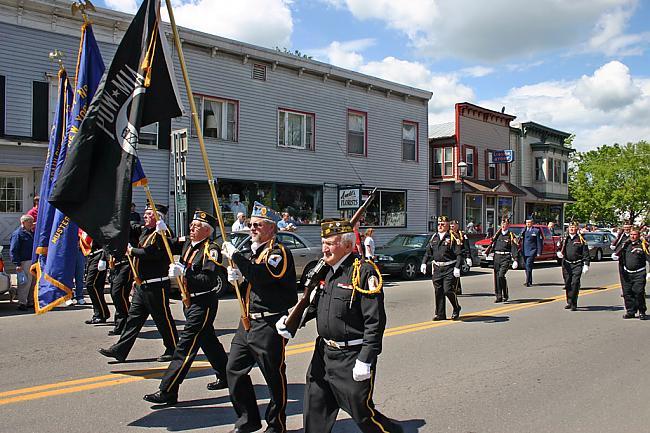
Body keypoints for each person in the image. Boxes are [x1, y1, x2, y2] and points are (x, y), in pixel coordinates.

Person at [275, 219, 402, 433]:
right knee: (315, 413)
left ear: (347, 245)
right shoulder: (323, 271)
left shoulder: (363, 273)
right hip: (323, 354)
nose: (324, 247)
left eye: (330, 243)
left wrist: (366, 359)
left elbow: (375, 322)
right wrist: (291, 322)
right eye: (323, 242)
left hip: (351, 357)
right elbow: (314, 306)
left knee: (362, 414)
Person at [220, 202, 297, 433]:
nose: (252, 228)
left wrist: (238, 260)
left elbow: (263, 277)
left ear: (272, 229)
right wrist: (238, 280)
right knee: (233, 369)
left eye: (258, 225)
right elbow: (254, 285)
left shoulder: (278, 252)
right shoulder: (254, 253)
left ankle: (277, 425)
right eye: (251, 224)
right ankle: (248, 419)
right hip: (248, 321)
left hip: (270, 323)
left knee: (273, 375)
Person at [143, 210, 229, 405]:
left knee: (185, 347)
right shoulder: (189, 243)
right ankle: (226, 375)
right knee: (208, 341)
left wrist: (186, 273)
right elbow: (168, 245)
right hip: (188, 301)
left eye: (196, 226)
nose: (191, 228)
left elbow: (208, 280)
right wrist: (163, 231)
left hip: (203, 303)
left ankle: (168, 389)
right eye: (191, 224)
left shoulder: (210, 249)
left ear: (207, 231)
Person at [98, 204, 179, 363]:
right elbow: (129, 227)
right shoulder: (144, 231)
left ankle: (173, 348)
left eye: (149, 214)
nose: (145, 216)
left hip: (156, 285)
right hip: (141, 285)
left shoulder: (163, 233)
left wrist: (131, 251)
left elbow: (152, 253)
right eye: (146, 213)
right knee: (133, 319)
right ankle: (120, 350)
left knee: (162, 319)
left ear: (159, 217)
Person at [421, 216, 462, 321]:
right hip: (437, 268)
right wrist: (424, 263)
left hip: (449, 267)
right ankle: (440, 314)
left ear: (447, 225)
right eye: (439, 224)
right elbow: (428, 252)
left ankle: (456, 307)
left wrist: (457, 267)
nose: (440, 226)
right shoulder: (434, 237)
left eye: (442, 224)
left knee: (448, 290)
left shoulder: (452, 237)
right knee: (438, 291)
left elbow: (458, 254)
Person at [612, 227, 649, 319]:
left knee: (638, 292)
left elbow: (649, 258)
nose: (632, 236)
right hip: (627, 273)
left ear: (638, 235)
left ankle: (641, 311)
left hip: (639, 272)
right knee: (627, 293)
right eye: (631, 234)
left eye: (635, 234)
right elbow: (617, 252)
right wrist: (616, 255)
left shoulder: (643, 245)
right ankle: (630, 311)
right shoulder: (625, 245)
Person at [556, 221, 590, 311]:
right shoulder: (564, 239)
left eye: (573, 227)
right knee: (568, 283)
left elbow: (585, 253)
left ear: (577, 229)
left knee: (575, 283)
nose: (571, 229)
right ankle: (569, 301)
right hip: (566, 264)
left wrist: (586, 264)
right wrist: (558, 252)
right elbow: (558, 248)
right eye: (570, 227)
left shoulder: (581, 239)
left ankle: (574, 303)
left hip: (577, 264)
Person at [485, 218, 519, 303]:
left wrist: (515, 259)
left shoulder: (511, 235)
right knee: (497, 277)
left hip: (505, 257)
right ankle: (498, 296)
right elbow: (492, 245)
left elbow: (514, 247)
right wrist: (488, 252)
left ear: (508, 225)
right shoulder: (497, 235)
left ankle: (505, 294)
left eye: (506, 224)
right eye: (502, 224)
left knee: (501, 275)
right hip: (497, 257)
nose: (503, 226)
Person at [9, 215, 35, 311]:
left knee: (32, 283)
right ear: (23, 223)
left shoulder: (31, 233)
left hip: (32, 260)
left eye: (32, 222)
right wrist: (17, 264)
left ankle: (30, 301)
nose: (32, 224)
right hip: (24, 261)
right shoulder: (18, 234)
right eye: (30, 222)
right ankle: (22, 303)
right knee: (24, 283)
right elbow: (14, 249)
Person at [83, 239, 110, 324]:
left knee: (91, 284)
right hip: (91, 255)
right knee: (96, 286)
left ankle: (101, 313)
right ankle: (100, 314)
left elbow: (107, 239)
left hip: (99, 254)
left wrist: (103, 258)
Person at [450, 220, 473, 295]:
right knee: (451, 274)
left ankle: (456, 289)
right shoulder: (448, 234)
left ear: (457, 226)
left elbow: (466, 246)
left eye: (453, 226)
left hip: (459, 256)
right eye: (451, 226)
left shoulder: (462, 234)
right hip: (451, 257)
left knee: (456, 273)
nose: (452, 227)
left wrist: (468, 257)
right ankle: (455, 289)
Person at [520, 217, 543, 287]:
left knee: (528, 265)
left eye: (529, 222)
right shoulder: (523, 230)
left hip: (532, 251)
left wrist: (539, 252)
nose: (528, 224)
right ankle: (530, 280)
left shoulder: (536, 231)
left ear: (532, 223)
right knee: (526, 267)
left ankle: (527, 281)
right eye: (527, 223)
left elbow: (539, 242)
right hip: (524, 251)